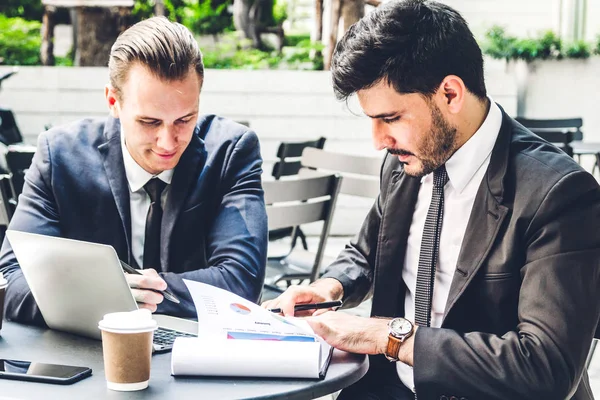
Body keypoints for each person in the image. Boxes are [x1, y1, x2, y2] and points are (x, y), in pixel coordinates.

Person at [262, 1, 600, 399]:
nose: (378, 141)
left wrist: (389, 337)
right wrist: (328, 287)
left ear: (451, 94)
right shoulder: (405, 161)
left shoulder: (560, 194)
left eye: (390, 118)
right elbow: (369, 252)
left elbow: (546, 367)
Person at [0, 17, 267, 326]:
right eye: (150, 122)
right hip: (84, 354)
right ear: (113, 101)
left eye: (185, 119)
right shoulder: (59, 155)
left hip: (194, 355)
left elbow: (242, 283)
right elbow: (12, 279)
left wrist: (126, 296)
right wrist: (111, 300)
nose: (168, 142)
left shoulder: (231, 151)